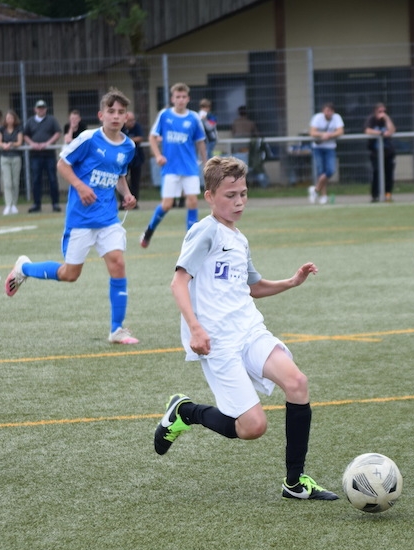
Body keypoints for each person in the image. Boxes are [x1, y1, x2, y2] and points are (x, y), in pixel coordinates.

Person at [153, 155, 338, 501]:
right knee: (253, 427)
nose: (239, 202)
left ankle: (295, 483)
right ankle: (185, 412)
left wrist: (291, 282)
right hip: (218, 342)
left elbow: (252, 287)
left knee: (297, 383)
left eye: (243, 194)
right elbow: (178, 283)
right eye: (230, 195)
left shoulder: (239, 239)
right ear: (209, 197)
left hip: (250, 330)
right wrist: (195, 328)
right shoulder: (205, 232)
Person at [5, 89, 139, 345]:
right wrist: (80, 186)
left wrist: (127, 195)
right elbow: (62, 164)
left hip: (108, 218)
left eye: (121, 112)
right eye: (111, 111)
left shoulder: (128, 146)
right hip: (81, 219)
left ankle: (117, 330)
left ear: (126, 117)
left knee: (118, 264)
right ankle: (24, 268)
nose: (116, 116)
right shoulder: (88, 139)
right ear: (101, 115)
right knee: (70, 274)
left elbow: (119, 175)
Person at [139, 83, 206, 249]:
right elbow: (152, 137)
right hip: (171, 168)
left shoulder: (194, 118)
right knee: (167, 204)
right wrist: (158, 155)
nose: (181, 100)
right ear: (172, 99)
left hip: (189, 166)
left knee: (192, 201)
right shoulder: (165, 115)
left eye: (183, 97)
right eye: (178, 97)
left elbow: (200, 142)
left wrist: (206, 163)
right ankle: (149, 231)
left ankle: (191, 241)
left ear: (188, 99)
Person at [23, 99, 62, 213]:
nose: (41, 110)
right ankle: (36, 204)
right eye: (39, 108)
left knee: (52, 179)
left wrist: (47, 143)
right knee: (36, 180)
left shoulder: (51, 120)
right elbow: (25, 135)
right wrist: (32, 144)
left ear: (46, 109)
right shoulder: (30, 121)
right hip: (35, 155)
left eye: (43, 108)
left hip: (49, 155)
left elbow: (57, 133)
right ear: (35, 109)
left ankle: (55, 203)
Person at [307, 102, 344, 205]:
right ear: (323, 111)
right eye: (327, 110)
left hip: (330, 148)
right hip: (318, 148)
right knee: (321, 171)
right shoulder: (317, 118)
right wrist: (323, 134)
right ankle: (324, 196)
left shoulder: (337, 118)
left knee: (330, 170)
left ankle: (315, 190)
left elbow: (340, 131)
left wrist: (329, 135)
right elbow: (312, 132)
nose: (329, 113)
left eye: (331, 111)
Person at [363, 102, 396, 202]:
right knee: (376, 173)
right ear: (375, 111)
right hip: (376, 153)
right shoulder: (371, 119)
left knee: (389, 174)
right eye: (380, 111)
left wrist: (387, 118)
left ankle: (387, 194)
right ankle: (375, 196)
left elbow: (392, 131)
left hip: (388, 152)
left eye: (384, 111)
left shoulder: (386, 120)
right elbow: (367, 130)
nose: (382, 113)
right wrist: (381, 133)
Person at [0, 109, 24, 215]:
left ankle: (14, 205)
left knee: (15, 182)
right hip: (5, 158)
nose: (9, 120)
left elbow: (19, 142)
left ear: (14, 119)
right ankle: (8, 204)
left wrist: (11, 144)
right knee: (7, 182)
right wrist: (4, 145)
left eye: (11, 118)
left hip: (16, 157)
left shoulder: (19, 129)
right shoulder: (1, 129)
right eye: (8, 118)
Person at [122, 110, 145, 208]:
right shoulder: (121, 128)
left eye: (133, 120)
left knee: (135, 181)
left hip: (136, 158)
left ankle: (134, 202)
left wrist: (127, 140)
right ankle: (123, 202)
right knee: (122, 179)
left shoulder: (137, 127)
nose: (132, 122)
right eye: (130, 120)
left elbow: (140, 138)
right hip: (124, 159)